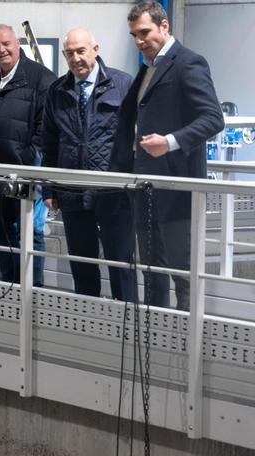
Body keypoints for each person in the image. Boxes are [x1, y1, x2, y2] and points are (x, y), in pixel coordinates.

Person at [110, 2, 224, 310]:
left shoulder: (188, 63)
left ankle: (187, 348)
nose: (139, 41)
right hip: (145, 186)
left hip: (177, 188)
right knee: (152, 274)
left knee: (182, 275)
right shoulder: (149, 68)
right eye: (134, 35)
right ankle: (158, 342)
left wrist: (170, 141)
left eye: (144, 32)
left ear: (164, 26)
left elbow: (213, 119)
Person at [42, 28, 136, 301]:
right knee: (82, 267)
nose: (75, 58)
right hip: (72, 192)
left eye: (81, 51)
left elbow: (135, 136)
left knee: (121, 265)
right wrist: (49, 189)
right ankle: (88, 323)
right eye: (69, 53)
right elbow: (49, 142)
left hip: (113, 192)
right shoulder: (57, 90)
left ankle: (125, 326)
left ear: (96, 49)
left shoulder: (122, 84)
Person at [0, 24, 55, 286]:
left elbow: (46, 129)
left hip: (25, 173)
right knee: (1, 232)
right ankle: (8, 289)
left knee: (30, 233)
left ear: (18, 44)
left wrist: (28, 161)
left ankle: (32, 292)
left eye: (6, 44)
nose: (1, 50)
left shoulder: (40, 78)